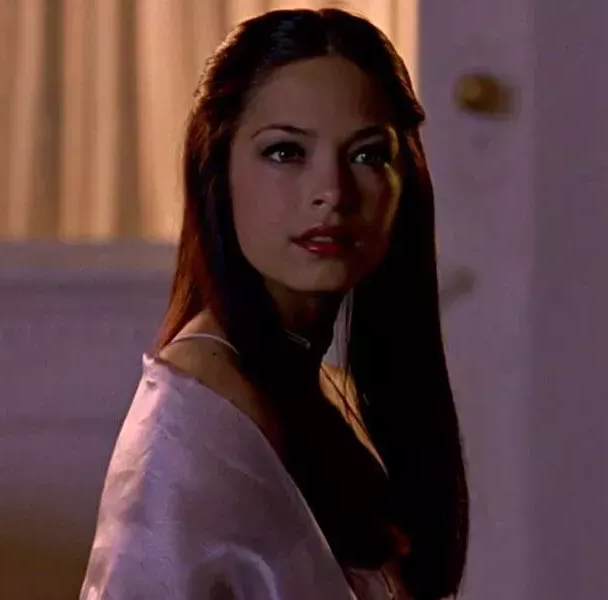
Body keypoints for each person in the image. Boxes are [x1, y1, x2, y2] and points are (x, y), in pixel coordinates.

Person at [79, 8, 469, 599]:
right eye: (286, 152)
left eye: (367, 155)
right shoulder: (190, 422)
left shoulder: (329, 395)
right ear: (217, 168)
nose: (332, 193)